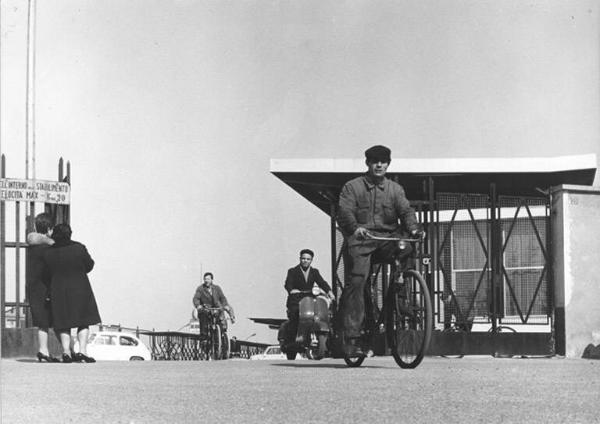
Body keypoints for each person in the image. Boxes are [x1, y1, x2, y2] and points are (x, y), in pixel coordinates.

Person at [337, 145, 422, 357]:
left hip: (386, 240)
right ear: (367, 163)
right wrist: (355, 228)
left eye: (383, 161)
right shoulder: (352, 187)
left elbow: (406, 210)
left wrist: (414, 228)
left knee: (407, 246)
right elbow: (345, 212)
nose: (379, 165)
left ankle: (401, 293)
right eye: (375, 161)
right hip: (362, 241)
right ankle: (352, 338)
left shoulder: (395, 189)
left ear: (388, 164)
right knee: (356, 282)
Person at [43, 223, 100, 363]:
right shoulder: (79, 248)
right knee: (84, 320)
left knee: (63, 322)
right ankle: (82, 351)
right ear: (70, 233)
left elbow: (46, 273)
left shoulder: (48, 252)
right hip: (80, 287)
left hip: (58, 289)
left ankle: (66, 352)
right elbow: (90, 265)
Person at [280, 249, 334, 347]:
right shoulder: (292, 271)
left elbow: (322, 282)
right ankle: (292, 340)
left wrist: (329, 291)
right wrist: (291, 290)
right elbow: (288, 283)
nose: (305, 261)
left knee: (320, 315)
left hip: (309, 299)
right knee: (295, 316)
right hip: (296, 300)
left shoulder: (314, 272)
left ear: (311, 260)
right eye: (303, 258)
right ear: (300, 259)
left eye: (308, 259)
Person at [26, 213, 60, 362]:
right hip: (46, 286)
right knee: (51, 320)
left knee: (42, 322)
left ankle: (43, 350)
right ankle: (51, 350)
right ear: (49, 228)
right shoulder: (48, 247)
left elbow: (31, 237)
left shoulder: (33, 245)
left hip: (34, 286)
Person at [192, 272, 235, 339]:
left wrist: (225, 305)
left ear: (212, 280)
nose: (206, 281)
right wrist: (198, 305)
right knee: (203, 318)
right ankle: (204, 338)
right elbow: (196, 298)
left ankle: (223, 334)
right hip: (205, 309)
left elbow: (222, 298)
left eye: (208, 279)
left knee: (222, 316)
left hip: (216, 308)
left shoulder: (217, 288)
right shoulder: (200, 289)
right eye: (205, 279)